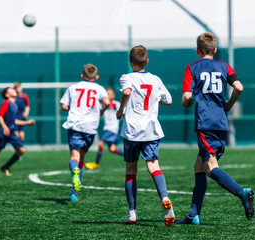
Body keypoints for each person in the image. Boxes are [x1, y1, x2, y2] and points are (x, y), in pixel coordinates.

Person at [176, 33, 255, 225]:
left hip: (205, 123)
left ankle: (241, 193)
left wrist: (187, 102)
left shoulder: (192, 68)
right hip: (220, 122)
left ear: (197, 50)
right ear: (215, 50)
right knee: (199, 166)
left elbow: (187, 98)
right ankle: (194, 214)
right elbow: (239, 87)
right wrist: (228, 105)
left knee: (211, 168)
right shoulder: (225, 67)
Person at [116, 45, 175, 227]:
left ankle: (132, 212)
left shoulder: (127, 77)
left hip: (132, 131)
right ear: (147, 61)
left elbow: (126, 92)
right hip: (151, 130)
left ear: (130, 62)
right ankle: (164, 197)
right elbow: (169, 100)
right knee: (153, 166)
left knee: (131, 170)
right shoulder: (155, 79)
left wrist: (121, 109)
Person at [60, 64, 110, 202]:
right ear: (96, 77)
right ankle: (74, 192)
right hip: (90, 127)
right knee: (82, 159)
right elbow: (106, 101)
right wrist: (101, 111)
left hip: (75, 125)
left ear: (82, 76)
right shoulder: (99, 88)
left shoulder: (73, 87)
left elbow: (64, 106)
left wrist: (72, 108)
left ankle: (74, 176)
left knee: (74, 157)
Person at [85, 87, 124, 170]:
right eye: (106, 94)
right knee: (112, 149)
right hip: (107, 129)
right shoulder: (102, 104)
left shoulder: (116, 104)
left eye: (109, 94)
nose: (107, 95)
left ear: (113, 96)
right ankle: (129, 155)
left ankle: (96, 163)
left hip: (112, 129)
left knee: (101, 143)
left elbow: (124, 110)